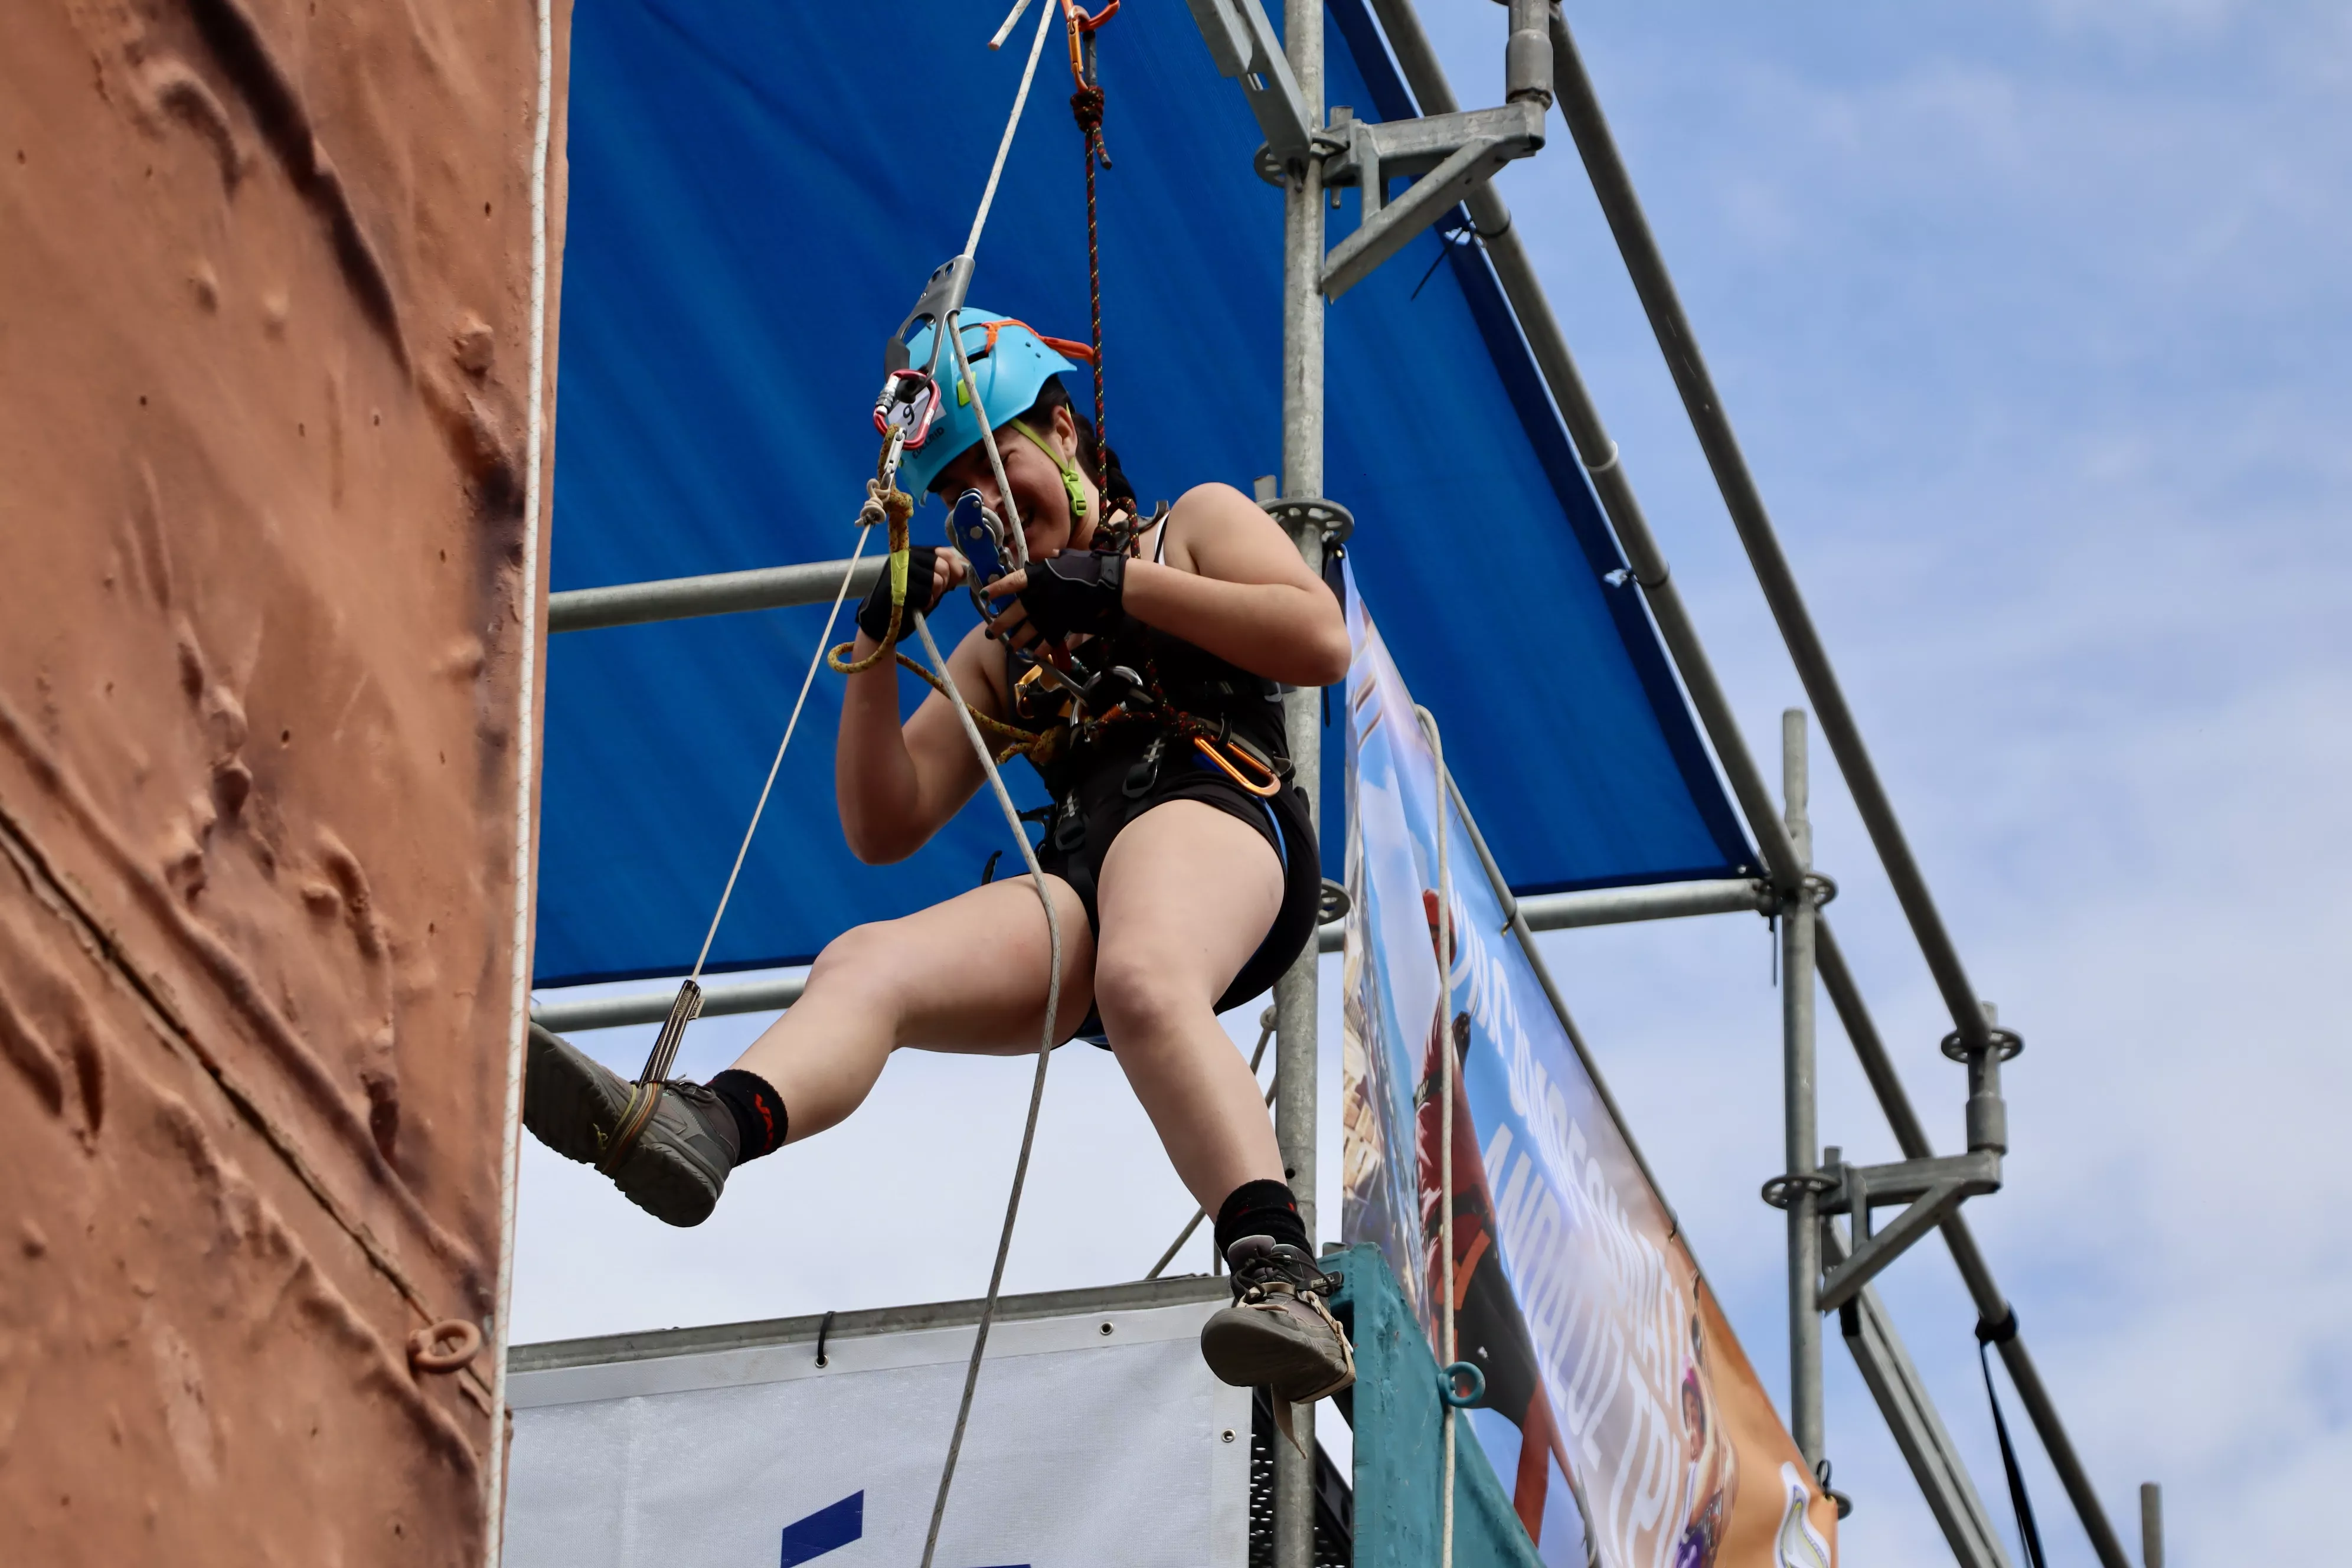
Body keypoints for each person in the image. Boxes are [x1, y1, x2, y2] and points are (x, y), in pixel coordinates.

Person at [524, 312, 1354, 1402]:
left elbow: (1316, 639)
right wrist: (877, 653)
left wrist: (1116, 586)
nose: (988, 508)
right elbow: (886, 823)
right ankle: (710, 1123)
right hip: (1088, 875)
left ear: (1065, 429)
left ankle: (1279, 1271)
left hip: (1212, 807)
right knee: (870, 963)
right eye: (960, 488)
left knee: (1147, 978)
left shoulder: (1187, 527)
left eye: (996, 467)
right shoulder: (1007, 642)